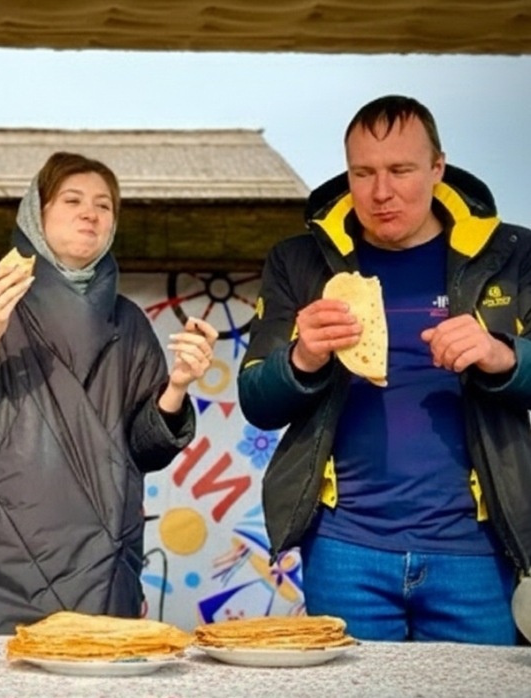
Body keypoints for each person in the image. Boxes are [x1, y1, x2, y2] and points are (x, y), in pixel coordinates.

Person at [237, 94, 531, 645]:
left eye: (401, 170)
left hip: (476, 550)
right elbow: (256, 397)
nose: (380, 192)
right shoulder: (298, 261)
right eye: (363, 172)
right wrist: (303, 358)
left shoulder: (513, 255)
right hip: (346, 550)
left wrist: (504, 355)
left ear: (438, 168)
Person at [0, 151, 218, 634]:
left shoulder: (129, 323)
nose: (90, 213)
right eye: (72, 199)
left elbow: (144, 450)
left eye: (104, 205)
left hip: (98, 571)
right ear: (36, 211)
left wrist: (176, 387)